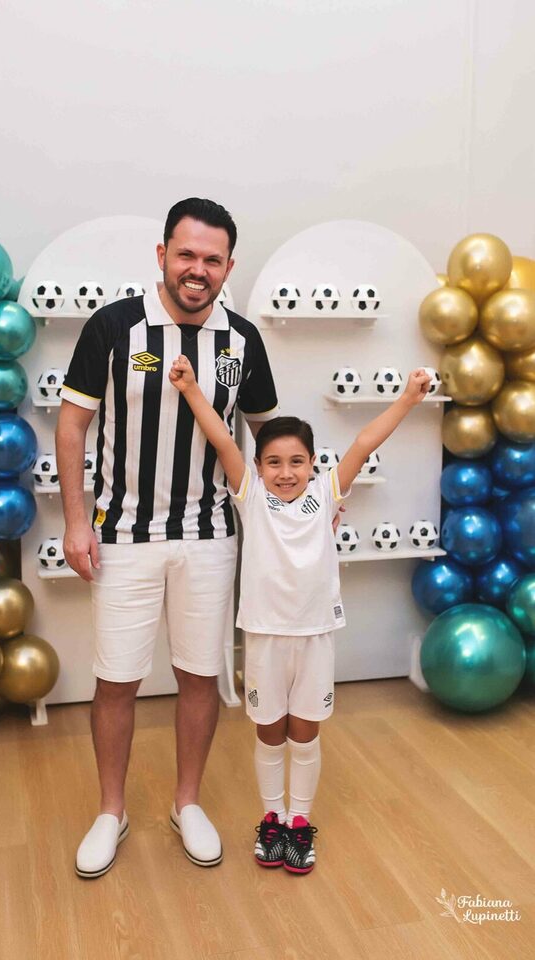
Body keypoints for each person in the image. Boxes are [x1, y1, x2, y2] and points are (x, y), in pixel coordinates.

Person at [56, 198, 279, 877]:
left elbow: (268, 435)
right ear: (162, 255)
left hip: (210, 536)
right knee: (116, 680)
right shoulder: (113, 327)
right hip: (123, 534)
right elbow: (72, 425)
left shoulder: (242, 341)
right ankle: (111, 811)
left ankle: (188, 804)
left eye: (212, 259)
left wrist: (295, 512)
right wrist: (75, 521)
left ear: (228, 267)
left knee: (199, 674)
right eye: (186, 254)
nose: (197, 269)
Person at [169, 355, 431, 874]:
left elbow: (364, 443)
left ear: (312, 464)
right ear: (259, 466)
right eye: (273, 462)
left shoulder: (326, 494)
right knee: (270, 731)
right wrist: (192, 389)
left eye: (296, 462)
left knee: (305, 733)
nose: (285, 473)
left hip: (315, 634)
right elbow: (223, 440)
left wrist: (407, 398)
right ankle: (272, 819)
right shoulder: (250, 496)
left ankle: (299, 823)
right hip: (265, 634)